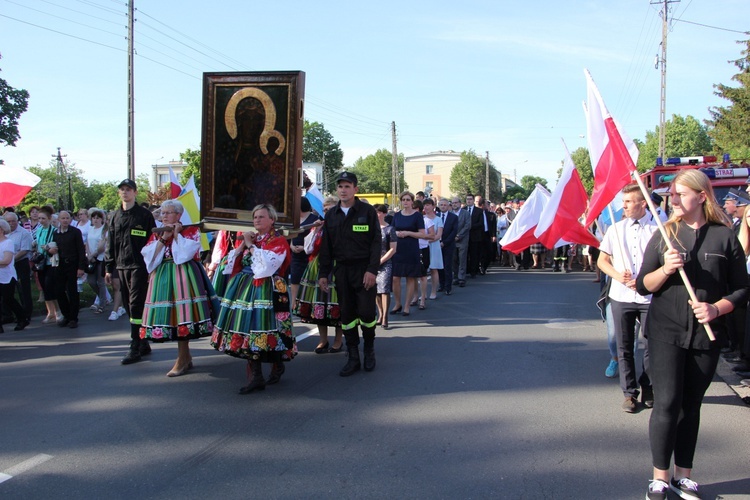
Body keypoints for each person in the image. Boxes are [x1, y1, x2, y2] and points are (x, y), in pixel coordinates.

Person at [636, 170, 748, 500]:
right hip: (665, 332)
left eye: (680, 194)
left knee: (691, 405)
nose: (673, 200)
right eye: (671, 194)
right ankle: (659, 477)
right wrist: (666, 269)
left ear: (701, 196)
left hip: (705, 335)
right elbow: (644, 284)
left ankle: (684, 476)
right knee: (667, 402)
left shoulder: (723, 236)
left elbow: (743, 288)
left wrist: (717, 308)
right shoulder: (664, 235)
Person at [211, 204, 295, 393]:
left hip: (268, 289)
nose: (256, 220)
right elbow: (229, 264)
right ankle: (256, 375)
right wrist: (243, 245)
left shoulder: (279, 241)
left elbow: (266, 266)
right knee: (248, 328)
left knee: (267, 328)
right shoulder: (252, 239)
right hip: (244, 288)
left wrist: (250, 245)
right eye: (255, 217)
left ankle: (276, 361)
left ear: (272, 220)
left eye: (261, 217)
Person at [140, 200, 219, 377]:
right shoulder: (157, 233)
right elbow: (149, 257)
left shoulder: (190, 230)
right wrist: (163, 239)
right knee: (172, 317)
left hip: (184, 276)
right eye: (163, 213)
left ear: (178, 215)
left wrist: (176, 235)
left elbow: (184, 255)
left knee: (184, 316)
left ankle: (183, 358)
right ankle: (185, 357)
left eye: (169, 213)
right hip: (162, 276)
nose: (165, 216)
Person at [597, 184, 656, 413]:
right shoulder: (616, 229)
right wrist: (618, 277)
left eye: (629, 201)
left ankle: (648, 386)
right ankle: (629, 393)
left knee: (652, 346)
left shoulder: (658, 229)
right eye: (624, 202)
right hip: (621, 296)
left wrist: (645, 279)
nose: (624, 206)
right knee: (624, 346)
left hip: (650, 297)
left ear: (643, 203)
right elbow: (603, 261)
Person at [318, 172, 381, 376]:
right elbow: (326, 247)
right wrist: (323, 274)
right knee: (347, 315)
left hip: (363, 270)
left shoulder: (367, 211)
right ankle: (353, 356)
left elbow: (376, 243)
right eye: (340, 187)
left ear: (355, 189)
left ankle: (369, 351)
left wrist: (372, 270)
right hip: (342, 270)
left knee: (367, 314)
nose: (343, 190)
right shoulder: (331, 215)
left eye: (347, 186)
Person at [105, 179, 157, 365]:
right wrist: (109, 268)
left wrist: (152, 266)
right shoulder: (114, 216)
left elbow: (152, 241)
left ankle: (135, 345)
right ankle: (142, 340)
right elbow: (110, 243)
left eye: (128, 189)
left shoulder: (144, 215)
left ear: (135, 193)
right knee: (127, 305)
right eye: (122, 190)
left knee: (136, 304)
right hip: (121, 265)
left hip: (139, 265)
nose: (125, 193)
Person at [293, 196, 344, 353]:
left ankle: (338, 340)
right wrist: (316, 231)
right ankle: (323, 340)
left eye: (329, 209)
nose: (326, 212)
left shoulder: (343, 225)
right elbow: (309, 249)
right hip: (317, 266)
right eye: (324, 210)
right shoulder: (319, 226)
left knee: (337, 304)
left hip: (336, 266)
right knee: (318, 305)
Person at [49, 211, 86, 328]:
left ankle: (73, 317)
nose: (65, 220)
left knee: (72, 291)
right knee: (59, 291)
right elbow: (53, 249)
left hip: (72, 264)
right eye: (62, 218)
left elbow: (81, 250)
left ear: (70, 219)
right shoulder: (56, 233)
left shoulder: (75, 232)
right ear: (59, 220)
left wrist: (81, 267)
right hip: (60, 265)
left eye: (67, 218)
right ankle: (66, 314)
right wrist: (51, 251)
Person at [390, 191, 425, 316]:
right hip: (398, 249)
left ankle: (406, 306)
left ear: (412, 201)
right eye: (403, 200)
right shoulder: (397, 215)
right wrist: (397, 234)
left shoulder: (417, 216)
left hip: (411, 249)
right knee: (395, 278)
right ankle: (397, 303)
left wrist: (408, 233)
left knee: (410, 277)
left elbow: (422, 233)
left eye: (408, 200)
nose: (405, 202)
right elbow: (392, 231)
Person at [289, 197, 320, 306]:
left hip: (309, 255)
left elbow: (316, 237)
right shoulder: (294, 219)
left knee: (309, 279)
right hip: (296, 255)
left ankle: (307, 304)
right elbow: (290, 234)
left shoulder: (314, 219)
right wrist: (292, 245)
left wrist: (304, 248)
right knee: (294, 278)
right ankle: (293, 303)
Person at [3, 211, 33, 324]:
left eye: (13, 221)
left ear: (17, 221)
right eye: (8, 221)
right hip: (7, 266)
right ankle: (8, 315)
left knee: (23, 290)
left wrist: (10, 259)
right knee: (7, 291)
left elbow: (25, 250)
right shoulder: (4, 234)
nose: (11, 223)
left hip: (20, 263)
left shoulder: (23, 233)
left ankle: (26, 313)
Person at [0, 219, 28, 332]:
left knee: (8, 299)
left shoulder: (8, 242)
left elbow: (7, 260)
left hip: (7, 276)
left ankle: (22, 318)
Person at [34, 205, 61, 323]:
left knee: (50, 286)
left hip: (50, 262)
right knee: (44, 287)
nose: (40, 221)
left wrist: (47, 248)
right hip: (41, 262)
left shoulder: (54, 230)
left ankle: (58, 310)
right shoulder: (39, 230)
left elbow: (55, 246)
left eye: (43, 218)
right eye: (39, 218)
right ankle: (50, 312)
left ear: (49, 218)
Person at [374, 204, 397, 329]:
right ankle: (380, 313)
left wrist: (381, 260)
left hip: (385, 263)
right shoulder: (371, 228)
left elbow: (393, 249)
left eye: (378, 212)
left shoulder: (390, 229)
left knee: (384, 289)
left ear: (384, 214)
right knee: (375, 290)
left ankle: (385, 317)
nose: (376, 215)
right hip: (372, 263)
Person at [85, 210, 108, 314]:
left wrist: (94, 254)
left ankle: (102, 304)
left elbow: (102, 245)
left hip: (100, 258)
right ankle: (103, 298)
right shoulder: (90, 229)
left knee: (100, 282)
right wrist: (89, 254)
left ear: (102, 219)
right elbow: (87, 243)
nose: (95, 220)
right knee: (91, 281)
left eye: (98, 218)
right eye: (94, 218)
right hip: (91, 258)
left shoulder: (104, 230)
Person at [423, 198, 443, 301]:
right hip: (423, 246)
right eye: (425, 205)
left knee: (433, 269)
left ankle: (434, 291)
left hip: (434, 246)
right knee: (422, 270)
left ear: (433, 206)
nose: (426, 207)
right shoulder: (421, 218)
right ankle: (423, 293)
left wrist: (427, 240)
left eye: (428, 205)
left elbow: (438, 235)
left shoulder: (438, 219)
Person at [437, 198, 458, 295]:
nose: (443, 206)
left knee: (447, 266)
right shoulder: (436, 216)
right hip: (437, 244)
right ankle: (441, 284)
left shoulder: (453, 217)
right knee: (439, 267)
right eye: (441, 205)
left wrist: (444, 242)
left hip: (448, 245)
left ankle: (448, 287)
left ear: (448, 206)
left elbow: (454, 232)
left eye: (445, 205)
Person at [451, 196, 470, 287]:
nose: (454, 204)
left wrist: (459, 235)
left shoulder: (465, 213)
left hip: (462, 239)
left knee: (462, 258)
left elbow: (467, 225)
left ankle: (462, 278)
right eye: (453, 203)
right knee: (454, 259)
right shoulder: (450, 213)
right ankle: (455, 277)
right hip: (452, 240)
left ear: (460, 203)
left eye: (456, 203)